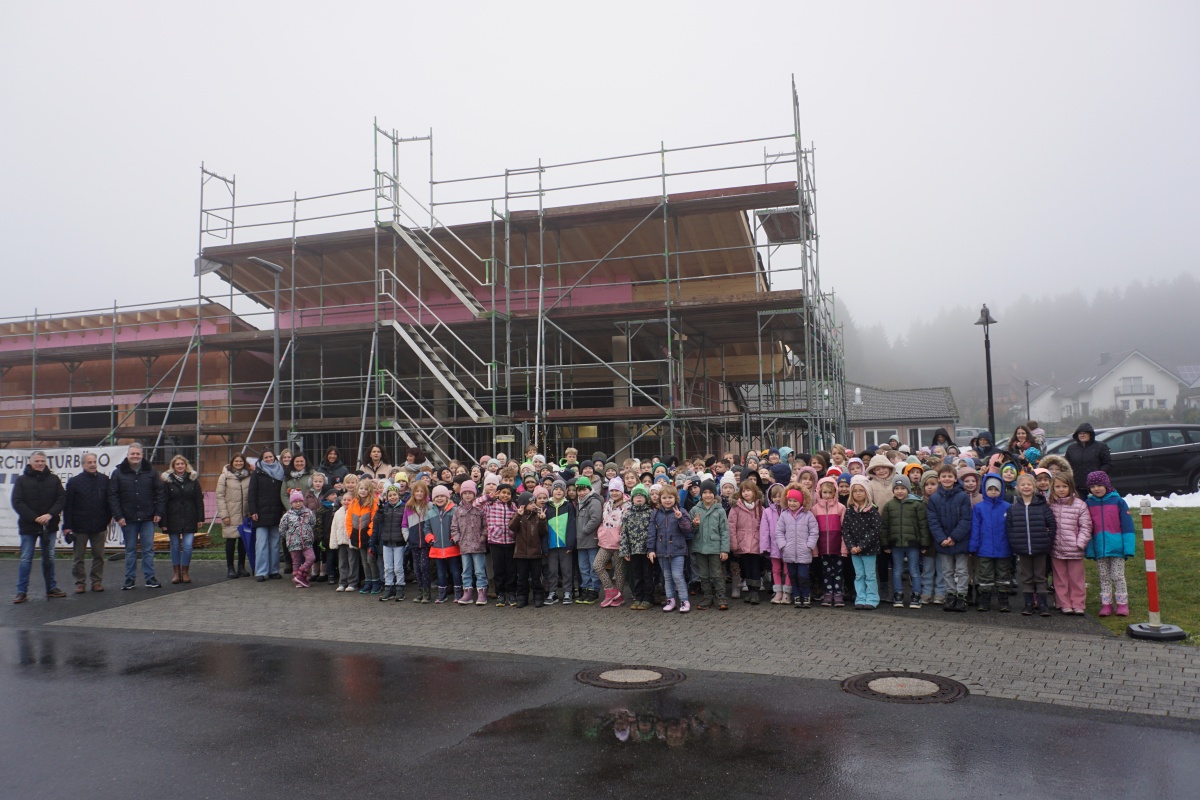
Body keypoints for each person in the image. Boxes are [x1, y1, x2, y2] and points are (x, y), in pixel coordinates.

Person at [11, 451, 67, 603]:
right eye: (37, 461)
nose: (40, 463)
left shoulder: (54, 479)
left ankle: (51, 588)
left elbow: (62, 499)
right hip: (28, 526)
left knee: (49, 557)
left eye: (42, 461)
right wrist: (34, 518)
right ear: (30, 462)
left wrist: (50, 514)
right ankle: (22, 591)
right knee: (26, 558)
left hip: (49, 525)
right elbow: (17, 502)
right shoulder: (21, 480)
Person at [108, 442, 165, 591]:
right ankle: (129, 579)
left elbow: (160, 493)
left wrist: (158, 512)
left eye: (138, 454)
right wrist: (118, 516)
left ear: (142, 455)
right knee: (130, 551)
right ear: (127, 455)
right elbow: (113, 496)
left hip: (148, 518)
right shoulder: (118, 473)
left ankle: (150, 578)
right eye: (132, 453)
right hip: (128, 519)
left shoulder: (151, 471)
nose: (135, 456)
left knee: (148, 550)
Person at [1084, 471, 1135, 617]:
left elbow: (1128, 526)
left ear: (1106, 485)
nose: (1096, 489)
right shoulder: (1088, 504)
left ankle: (1122, 604)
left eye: (1099, 485)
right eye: (1092, 486)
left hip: (1117, 547)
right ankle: (1106, 604)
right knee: (1104, 576)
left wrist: (1128, 547)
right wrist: (1090, 549)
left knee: (1118, 575)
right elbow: (1087, 527)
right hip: (1099, 548)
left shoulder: (1118, 502)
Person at [1006, 473, 1057, 616]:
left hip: (1040, 548)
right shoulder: (1013, 508)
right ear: (1018, 487)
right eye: (1023, 485)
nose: (1026, 487)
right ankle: (1028, 604)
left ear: (1034, 486)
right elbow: (1009, 527)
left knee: (1040, 577)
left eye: (1029, 484)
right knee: (1027, 577)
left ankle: (1043, 605)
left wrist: (1047, 540)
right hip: (1023, 549)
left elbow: (1052, 524)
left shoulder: (1042, 506)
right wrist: (1015, 542)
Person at [62, 452, 111, 593]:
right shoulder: (74, 482)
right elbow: (68, 506)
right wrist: (67, 526)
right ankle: (80, 583)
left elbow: (109, 502)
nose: (93, 464)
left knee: (99, 556)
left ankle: (96, 582)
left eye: (94, 462)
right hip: (79, 526)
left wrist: (107, 519)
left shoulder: (104, 480)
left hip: (99, 525)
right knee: (79, 557)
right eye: (89, 462)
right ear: (83, 464)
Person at [926, 464, 972, 612]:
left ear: (955, 479)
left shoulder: (963, 496)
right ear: (939, 479)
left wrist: (954, 537)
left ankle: (962, 596)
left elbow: (966, 519)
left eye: (950, 476)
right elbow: (933, 521)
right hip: (943, 542)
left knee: (961, 570)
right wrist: (942, 538)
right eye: (944, 476)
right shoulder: (934, 498)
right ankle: (950, 594)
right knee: (947, 571)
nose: (947, 479)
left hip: (960, 540)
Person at [880, 475, 930, 609]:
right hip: (896, 544)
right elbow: (884, 527)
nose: (900, 491)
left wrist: (924, 543)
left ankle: (916, 594)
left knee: (914, 569)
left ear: (908, 489)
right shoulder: (889, 505)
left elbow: (923, 525)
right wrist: (885, 544)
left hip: (913, 544)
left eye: (903, 488)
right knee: (897, 570)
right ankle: (898, 594)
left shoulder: (917, 504)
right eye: (897, 488)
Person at [1049, 473, 1092, 615]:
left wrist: (1080, 543)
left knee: (1076, 579)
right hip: (1056, 549)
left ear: (1071, 487)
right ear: (1053, 488)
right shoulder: (1050, 504)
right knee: (1060, 579)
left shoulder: (1080, 505)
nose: (1061, 489)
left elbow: (1086, 526)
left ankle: (1078, 604)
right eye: (1058, 487)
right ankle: (1064, 603)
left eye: (1064, 486)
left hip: (1074, 549)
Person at [970, 473, 1012, 612]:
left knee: (1003, 574)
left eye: (996, 489)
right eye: (990, 489)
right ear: (985, 489)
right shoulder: (979, 507)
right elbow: (975, 528)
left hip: (1003, 547)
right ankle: (984, 600)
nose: (993, 492)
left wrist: (1013, 546)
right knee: (984, 575)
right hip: (984, 548)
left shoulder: (1007, 507)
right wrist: (973, 546)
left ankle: (1003, 600)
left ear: (1001, 490)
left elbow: (1011, 528)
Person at [649, 486, 694, 613]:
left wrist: (680, 518)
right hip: (661, 551)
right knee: (667, 576)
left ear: (675, 498)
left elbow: (688, 529)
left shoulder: (681, 511)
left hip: (678, 550)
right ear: (660, 499)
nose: (667, 500)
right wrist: (651, 549)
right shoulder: (656, 513)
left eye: (670, 497)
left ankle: (684, 600)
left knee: (678, 575)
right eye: (664, 498)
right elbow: (651, 532)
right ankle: (670, 600)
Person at [161, 454, 204, 585]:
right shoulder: (167, 481)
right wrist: (163, 522)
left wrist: (200, 518)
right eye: (177, 464)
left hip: (190, 517)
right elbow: (163, 502)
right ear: (173, 466)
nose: (180, 466)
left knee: (188, 546)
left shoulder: (193, 480)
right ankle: (176, 573)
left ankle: (185, 572)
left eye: (182, 464)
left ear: (186, 465)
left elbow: (198, 500)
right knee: (174, 546)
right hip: (172, 518)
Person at [775, 486, 819, 608]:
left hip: (804, 552)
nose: (792, 503)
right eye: (790, 500)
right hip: (789, 552)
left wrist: (809, 546)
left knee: (803, 576)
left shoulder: (808, 515)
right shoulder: (784, 515)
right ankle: (796, 595)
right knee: (793, 576)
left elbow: (814, 532)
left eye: (795, 501)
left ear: (801, 501)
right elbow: (779, 531)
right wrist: (783, 545)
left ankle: (806, 595)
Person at [843, 476, 882, 610]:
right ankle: (860, 597)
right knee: (859, 575)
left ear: (867, 492)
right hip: (854, 550)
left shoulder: (872, 511)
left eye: (861, 490)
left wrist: (861, 546)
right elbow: (846, 530)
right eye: (855, 491)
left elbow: (875, 530)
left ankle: (872, 598)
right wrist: (851, 546)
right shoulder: (849, 511)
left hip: (869, 550)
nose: (858, 493)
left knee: (870, 575)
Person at [247, 448, 285, 582]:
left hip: (276, 512)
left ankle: (274, 570)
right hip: (260, 513)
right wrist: (253, 511)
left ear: (274, 457)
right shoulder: (257, 473)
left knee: (275, 543)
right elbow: (251, 493)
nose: (269, 459)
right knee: (261, 544)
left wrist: (283, 510)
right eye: (266, 457)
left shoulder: (281, 472)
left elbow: (283, 494)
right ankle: (261, 571)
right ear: (262, 460)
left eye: (270, 457)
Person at [481, 481, 519, 607]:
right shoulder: (490, 505)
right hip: (496, 542)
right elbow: (476, 504)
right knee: (498, 569)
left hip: (510, 541)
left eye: (508, 493)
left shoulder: (513, 506)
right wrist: (489, 496)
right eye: (503, 492)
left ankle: (511, 592)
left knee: (511, 570)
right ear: (498, 493)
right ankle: (500, 593)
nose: (505, 495)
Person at [509, 488, 548, 608]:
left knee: (536, 577)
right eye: (530, 503)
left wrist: (542, 520)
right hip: (521, 553)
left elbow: (543, 532)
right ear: (523, 505)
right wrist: (518, 516)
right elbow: (512, 527)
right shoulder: (519, 516)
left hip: (535, 553)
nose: (533, 505)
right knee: (522, 577)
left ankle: (538, 596)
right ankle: (522, 597)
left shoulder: (537, 516)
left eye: (533, 502)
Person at [451, 480, 488, 606]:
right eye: (465, 493)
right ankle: (467, 592)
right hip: (464, 545)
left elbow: (486, 525)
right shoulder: (458, 510)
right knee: (466, 571)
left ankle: (482, 592)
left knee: (479, 571)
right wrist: (457, 539)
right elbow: (454, 527)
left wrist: (483, 537)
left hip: (478, 545)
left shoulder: (480, 509)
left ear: (474, 494)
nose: (467, 495)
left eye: (470, 493)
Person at [811, 477, 846, 607]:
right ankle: (828, 593)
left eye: (830, 492)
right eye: (824, 492)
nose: (827, 495)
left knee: (838, 571)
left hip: (836, 547)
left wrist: (844, 548)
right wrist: (815, 550)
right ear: (819, 492)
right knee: (826, 571)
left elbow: (844, 529)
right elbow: (813, 530)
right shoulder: (815, 509)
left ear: (835, 492)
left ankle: (838, 593)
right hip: (822, 547)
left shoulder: (841, 508)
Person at [594, 478, 628, 608]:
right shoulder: (607, 504)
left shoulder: (627, 505)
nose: (614, 493)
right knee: (597, 565)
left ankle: (620, 596)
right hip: (605, 542)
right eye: (612, 490)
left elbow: (626, 525)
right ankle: (611, 591)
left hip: (619, 543)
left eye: (617, 490)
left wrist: (623, 541)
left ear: (622, 491)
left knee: (619, 571)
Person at [369, 485, 407, 601]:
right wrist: (380, 510)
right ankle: (388, 587)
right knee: (388, 567)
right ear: (386, 497)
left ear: (398, 495)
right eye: (390, 495)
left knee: (398, 568)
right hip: (386, 542)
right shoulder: (384, 508)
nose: (392, 497)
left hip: (399, 542)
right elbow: (377, 521)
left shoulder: (404, 507)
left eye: (394, 495)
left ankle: (400, 588)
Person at [728, 480, 763, 605]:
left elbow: (764, 527)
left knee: (755, 567)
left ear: (754, 492)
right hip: (742, 542)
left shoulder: (760, 508)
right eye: (743, 491)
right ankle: (749, 589)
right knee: (746, 567)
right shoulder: (736, 508)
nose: (746, 493)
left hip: (756, 542)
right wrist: (733, 543)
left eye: (748, 490)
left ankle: (755, 591)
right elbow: (731, 526)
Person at [216, 454, 251, 578]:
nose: (238, 463)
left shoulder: (249, 476)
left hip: (245, 514)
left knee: (243, 541)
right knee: (231, 541)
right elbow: (220, 496)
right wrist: (224, 515)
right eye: (236, 461)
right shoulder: (225, 476)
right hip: (230, 514)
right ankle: (230, 567)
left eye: (241, 461)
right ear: (232, 462)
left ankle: (241, 566)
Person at [425, 484, 461, 603]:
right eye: (437, 497)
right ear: (433, 499)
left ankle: (458, 593)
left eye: (442, 496)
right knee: (440, 572)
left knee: (455, 571)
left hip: (452, 547)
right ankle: (442, 594)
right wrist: (430, 539)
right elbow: (427, 529)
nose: (439, 498)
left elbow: (458, 526)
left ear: (447, 497)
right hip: (437, 548)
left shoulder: (454, 510)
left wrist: (454, 538)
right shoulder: (430, 513)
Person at [544, 479, 576, 605]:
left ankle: (568, 592)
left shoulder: (568, 506)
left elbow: (571, 526)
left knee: (566, 570)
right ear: (552, 491)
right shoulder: (546, 506)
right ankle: (552, 592)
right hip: (551, 544)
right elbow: (543, 528)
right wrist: (544, 545)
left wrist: (570, 543)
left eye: (561, 489)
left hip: (564, 544)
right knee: (552, 570)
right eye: (556, 489)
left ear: (565, 492)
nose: (558, 491)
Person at [347, 478, 381, 594]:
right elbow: (349, 520)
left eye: (366, 489)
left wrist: (369, 534)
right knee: (364, 561)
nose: (363, 491)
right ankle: (368, 581)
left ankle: (376, 581)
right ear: (357, 489)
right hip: (358, 536)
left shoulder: (374, 503)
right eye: (361, 488)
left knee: (371, 560)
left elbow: (374, 520)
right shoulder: (353, 503)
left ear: (369, 490)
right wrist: (351, 533)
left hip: (368, 536)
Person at [759, 484, 792, 604]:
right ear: (770, 498)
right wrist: (765, 547)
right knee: (776, 570)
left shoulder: (788, 511)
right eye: (775, 496)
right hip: (773, 547)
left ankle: (787, 592)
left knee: (787, 570)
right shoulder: (767, 512)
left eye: (780, 496)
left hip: (787, 546)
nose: (777, 499)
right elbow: (764, 531)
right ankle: (778, 592)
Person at [574, 475, 603, 604]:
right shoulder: (579, 503)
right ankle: (585, 588)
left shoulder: (594, 501)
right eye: (579, 490)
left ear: (589, 489)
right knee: (583, 567)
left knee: (593, 567)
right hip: (581, 542)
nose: (581, 493)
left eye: (584, 490)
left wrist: (584, 530)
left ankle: (594, 590)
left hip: (591, 540)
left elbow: (596, 518)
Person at [403, 482, 433, 602]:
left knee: (424, 566)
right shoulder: (409, 507)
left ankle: (427, 592)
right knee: (416, 568)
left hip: (426, 543)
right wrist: (408, 537)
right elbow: (404, 524)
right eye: (417, 491)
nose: (419, 493)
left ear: (425, 493)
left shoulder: (430, 506)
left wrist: (431, 538)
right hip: (414, 542)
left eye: (421, 491)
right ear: (413, 493)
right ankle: (420, 591)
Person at [279, 490, 316, 588]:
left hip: (307, 541)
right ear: (291, 503)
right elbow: (282, 529)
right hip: (293, 543)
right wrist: (289, 536)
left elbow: (313, 523)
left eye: (300, 501)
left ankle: (300, 575)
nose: (298, 503)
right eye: (295, 502)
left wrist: (308, 533)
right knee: (296, 562)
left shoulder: (308, 512)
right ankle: (299, 581)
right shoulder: (287, 515)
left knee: (311, 558)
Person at [1065, 424, 1113, 497]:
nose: (1082, 435)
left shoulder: (1101, 446)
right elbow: (1066, 465)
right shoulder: (1071, 448)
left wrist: (1097, 475)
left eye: (1085, 433)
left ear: (1090, 434)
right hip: (1077, 486)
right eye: (1080, 433)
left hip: (1095, 486)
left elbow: (1108, 464)